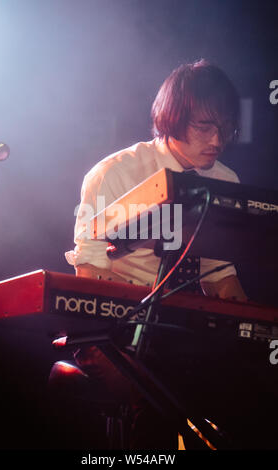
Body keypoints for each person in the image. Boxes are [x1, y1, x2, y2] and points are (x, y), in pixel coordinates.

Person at [62, 59, 248, 449]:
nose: (217, 140)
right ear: (172, 118)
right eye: (205, 126)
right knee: (157, 402)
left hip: (182, 329)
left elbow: (222, 276)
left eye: (226, 128)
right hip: (111, 331)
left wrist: (253, 333)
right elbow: (89, 274)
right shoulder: (113, 174)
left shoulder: (226, 181)